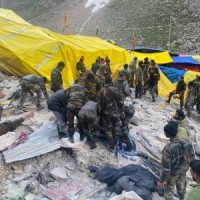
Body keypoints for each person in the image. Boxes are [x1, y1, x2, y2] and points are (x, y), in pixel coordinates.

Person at [157, 122, 195, 200]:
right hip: (183, 172)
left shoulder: (168, 148)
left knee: (168, 194)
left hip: (172, 175)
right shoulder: (187, 142)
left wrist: (162, 181)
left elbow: (166, 169)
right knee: (182, 192)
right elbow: (192, 158)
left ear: (166, 135)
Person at [98, 76, 124, 151]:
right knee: (116, 128)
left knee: (108, 128)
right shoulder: (116, 90)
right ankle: (116, 143)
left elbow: (99, 104)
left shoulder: (102, 91)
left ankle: (111, 145)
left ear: (105, 82)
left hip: (106, 114)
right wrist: (122, 111)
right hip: (116, 112)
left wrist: (100, 113)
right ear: (111, 82)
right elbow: (121, 102)